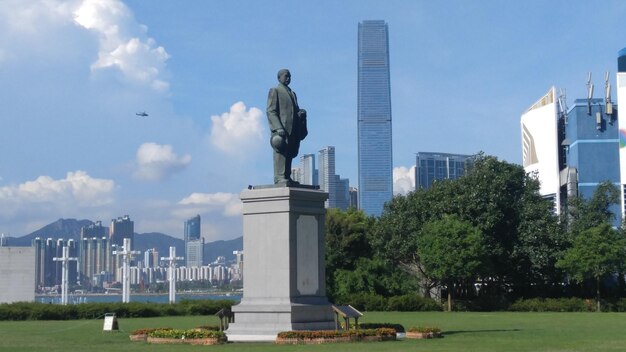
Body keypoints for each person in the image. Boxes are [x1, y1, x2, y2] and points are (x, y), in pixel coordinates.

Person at [266, 69, 308, 184]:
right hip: (282, 129)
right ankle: (279, 177)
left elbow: (295, 110)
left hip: (293, 128)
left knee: (290, 152)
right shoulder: (275, 90)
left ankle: (287, 176)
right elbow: (271, 111)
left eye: (290, 76)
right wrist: (278, 127)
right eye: (286, 76)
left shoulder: (292, 93)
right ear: (279, 78)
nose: (288, 78)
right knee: (281, 150)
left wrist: (301, 114)